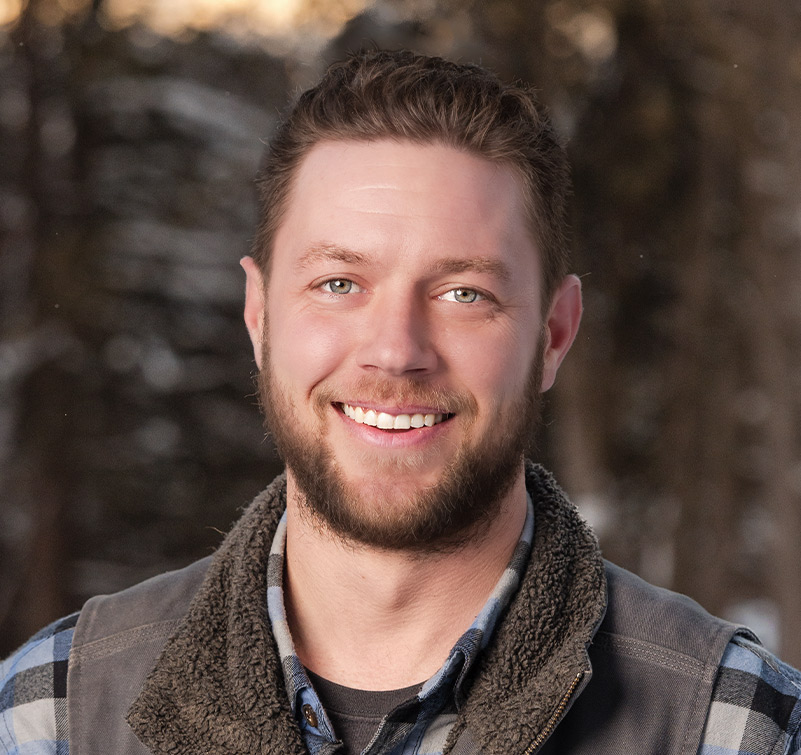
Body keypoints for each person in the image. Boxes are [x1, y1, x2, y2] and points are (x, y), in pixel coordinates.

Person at [2, 48, 800, 755]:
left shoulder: (729, 725)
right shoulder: (55, 711)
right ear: (259, 315)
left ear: (554, 333)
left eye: (463, 292)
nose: (395, 350)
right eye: (338, 283)